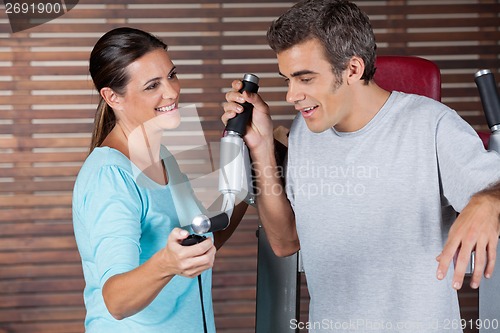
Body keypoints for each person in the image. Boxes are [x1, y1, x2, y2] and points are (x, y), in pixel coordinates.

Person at [222, 0, 500, 331]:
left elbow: (492, 188)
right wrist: (263, 146)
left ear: (353, 69)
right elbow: (285, 242)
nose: (291, 96)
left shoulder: (432, 124)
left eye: (305, 78)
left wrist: (488, 199)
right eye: (287, 80)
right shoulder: (305, 133)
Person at [72, 27, 244, 332]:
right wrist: (167, 263)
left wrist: (249, 154)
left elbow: (205, 238)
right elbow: (116, 300)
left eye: (172, 75)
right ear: (112, 96)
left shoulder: (167, 151)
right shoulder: (110, 176)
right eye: (152, 85)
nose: (172, 92)